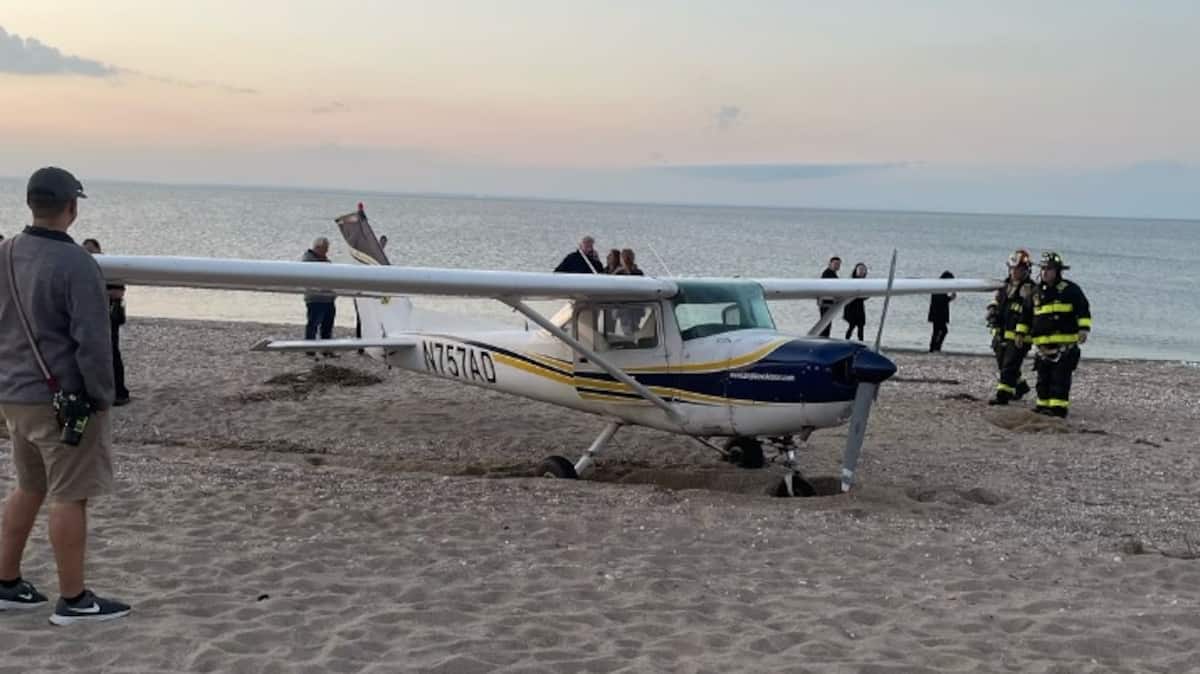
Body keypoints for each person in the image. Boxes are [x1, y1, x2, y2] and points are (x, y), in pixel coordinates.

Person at [0, 167, 131, 624]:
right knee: (69, 496)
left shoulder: (7, 251)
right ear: (72, 208)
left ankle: (6, 582)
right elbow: (92, 343)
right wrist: (101, 398)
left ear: (31, 204)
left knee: (29, 486)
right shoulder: (78, 265)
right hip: (63, 401)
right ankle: (74, 599)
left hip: (14, 394)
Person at [1019, 251, 1091, 417]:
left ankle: (1058, 409)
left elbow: (1083, 310)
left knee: (1060, 380)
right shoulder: (1035, 293)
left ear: (1058, 271)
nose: (1045, 272)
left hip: (1064, 347)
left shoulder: (1070, 290)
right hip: (1043, 349)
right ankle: (1042, 406)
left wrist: (1083, 330)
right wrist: (1020, 334)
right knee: (1043, 380)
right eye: (1043, 269)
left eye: (1049, 269)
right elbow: (1026, 316)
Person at [80, 239, 130, 406]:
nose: (89, 255)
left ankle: (120, 392)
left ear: (99, 251)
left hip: (109, 317)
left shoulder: (110, 266)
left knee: (112, 353)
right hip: (89, 316)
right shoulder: (83, 267)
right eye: (86, 251)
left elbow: (118, 292)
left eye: (92, 251)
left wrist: (98, 291)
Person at [986, 250, 1036, 405]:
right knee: (1003, 363)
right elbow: (997, 301)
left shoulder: (1031, 290)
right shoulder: (1005, 285)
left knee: (1009, 365)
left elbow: (1030, 312)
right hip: (1001, 333)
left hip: (1019, 336)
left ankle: (1003, 396)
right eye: (1013, 268)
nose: (1015, 272)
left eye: (1019, 269)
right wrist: (992, 310)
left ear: (1026, 270)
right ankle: (1020, 387)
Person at [301, 237, 337, 358]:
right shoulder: (308, 261)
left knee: (327, 326)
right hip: (316, 298)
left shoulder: (325, 260)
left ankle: (326, 349)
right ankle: (309, 349)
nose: (326, 252)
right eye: (325, 249)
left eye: (327, 249)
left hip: (328, 298)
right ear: (317, 248)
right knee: (313, 324)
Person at [927, 270, 957, 352]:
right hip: (939, 314)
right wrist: (950, 298)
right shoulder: (940, 287)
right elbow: (941, 300)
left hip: (936, 313)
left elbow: (941, 299)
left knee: (938, 331)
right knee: (942, 331)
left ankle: (934, 347)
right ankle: (935, 347)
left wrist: (950, 298)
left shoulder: (939, 286)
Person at [816, 256, 841, 338]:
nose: (837, 266)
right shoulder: (827, 273)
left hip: (829, 303)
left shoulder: (833, 274)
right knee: (825, 324)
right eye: (835, 264)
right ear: (830, 264)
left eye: (839, 264)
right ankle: (822, 339)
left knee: (827, 324)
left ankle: (824, 338)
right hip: (825, 303)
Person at [842, 263, 868, 341]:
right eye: (860, 269)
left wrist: (865, 296)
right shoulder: (852, 280)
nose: (861, 271)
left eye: (863, 270)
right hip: (851, 306)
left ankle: (861, 342)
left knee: (861, 326)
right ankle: (846, 340)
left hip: (859, 306)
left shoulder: (865, 282)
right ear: (856, 271)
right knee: (852, 325)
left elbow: (865, 295)